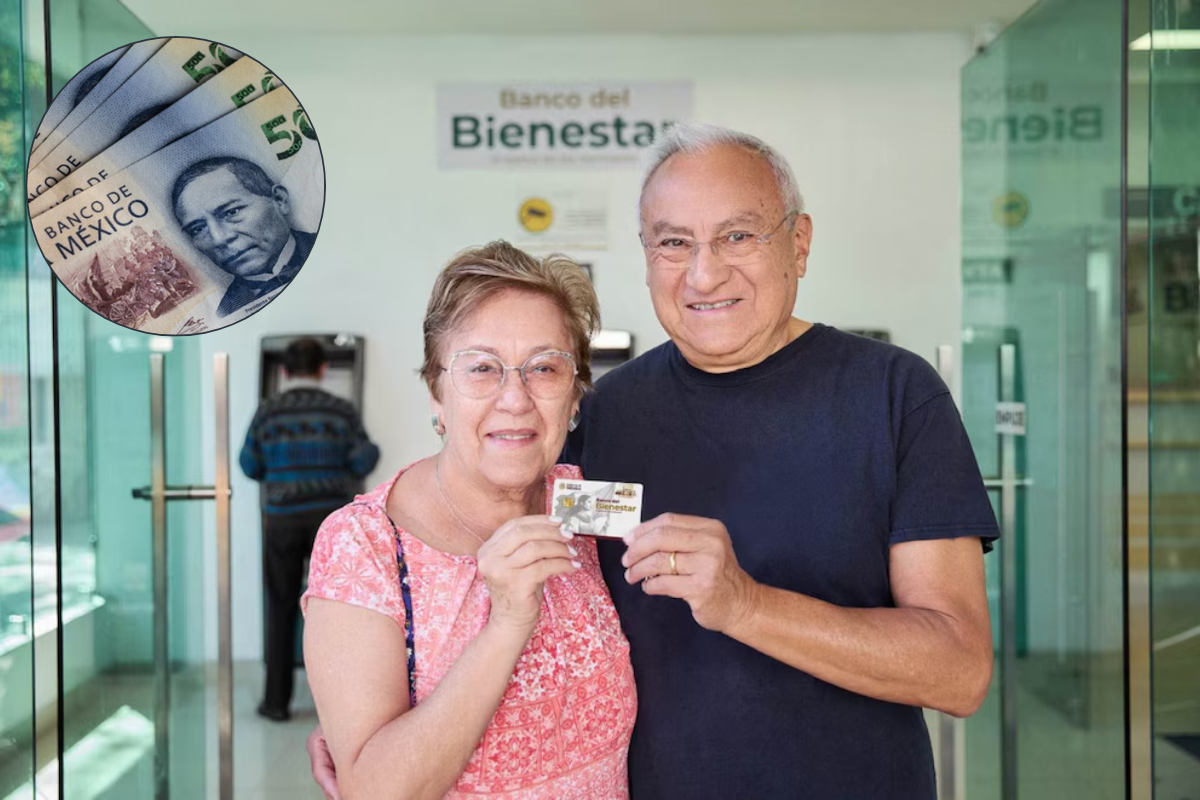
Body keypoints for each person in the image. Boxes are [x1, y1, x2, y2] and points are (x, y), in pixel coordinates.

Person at [309, 123, 997, 799]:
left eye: (738, 235)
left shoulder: (894, 395)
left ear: (800, 242)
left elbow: (960, 672)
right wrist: (365, 731)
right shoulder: (602, 418)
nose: (705, 271)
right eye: (674, 242)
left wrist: (746, 605)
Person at [301, 243, 637, 798]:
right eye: (481, 368)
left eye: (545, 368)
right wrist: (506, 622)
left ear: (574, 397)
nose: (515, 398)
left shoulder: (580, 500)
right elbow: (376, 790)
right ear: (436, 390)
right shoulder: (362, 544)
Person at [240, 337, 380, 721]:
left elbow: (249, 465)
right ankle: (335, 709)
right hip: (330, 524)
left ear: (284, 371)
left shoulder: (268, 412)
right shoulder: (341, 411)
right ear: (322, 370)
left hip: (281, 520)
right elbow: (364, 458)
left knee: (280, 605)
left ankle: (276, 703)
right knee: (333, 611)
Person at [170, 155, 315, 318]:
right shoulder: (223, 316)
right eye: (198, 229)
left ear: (279, 200)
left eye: (232, 212)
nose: (219, 238)